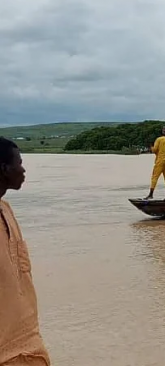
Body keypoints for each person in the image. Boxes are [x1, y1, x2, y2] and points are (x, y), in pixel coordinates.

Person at [0, 137, 51, 365]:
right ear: (4, 169)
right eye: (19, 162)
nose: (23, 169)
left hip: (27, 343)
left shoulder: (6, 210)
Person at [144, 125, 165, 201]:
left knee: (154, 177)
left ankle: (151, 194)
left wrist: (150, 146)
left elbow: (154, 150)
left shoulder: (159, 139)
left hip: (160, 160)